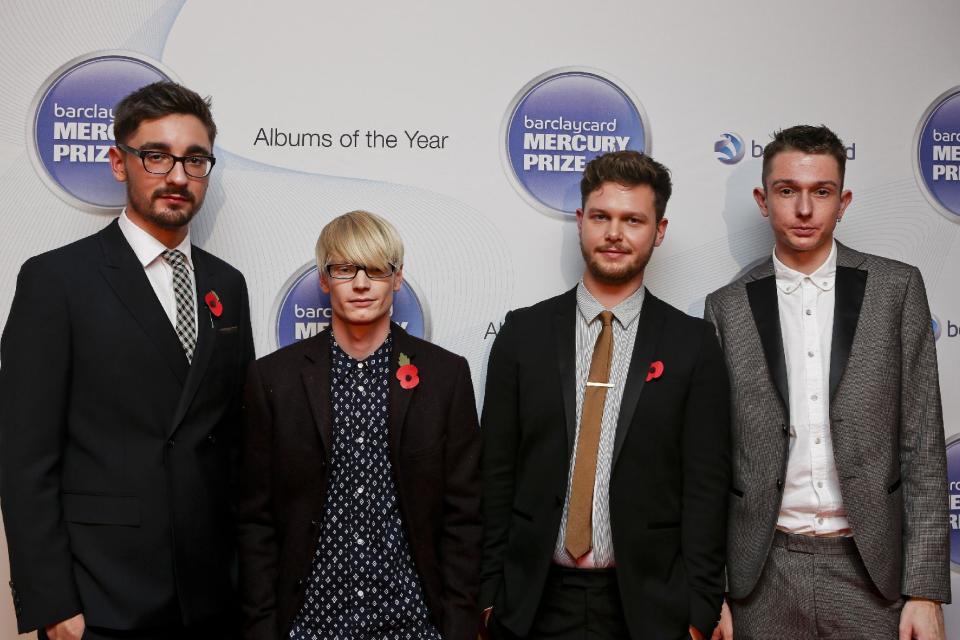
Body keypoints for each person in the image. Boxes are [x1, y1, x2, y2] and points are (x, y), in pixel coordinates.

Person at [0, 81, 254, 639]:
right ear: (120, 163)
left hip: (211, 592)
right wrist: (53, 604)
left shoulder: (226, 285)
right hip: (102, 594)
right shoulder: (55, 281)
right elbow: (24, 459)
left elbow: (233, 438)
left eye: (195, 159)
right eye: (156, 156)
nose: (178, 176)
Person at [705, 124, 949, 640]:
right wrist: (712, 589)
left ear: (844, 201)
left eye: (822, 192)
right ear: (762, 199)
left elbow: (923, 445)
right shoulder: (726, 307)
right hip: (760, 573)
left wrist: (924, 590)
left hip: (870, 573)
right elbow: (711, 461)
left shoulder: (897, 288)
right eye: (787, 190)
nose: (804, 209)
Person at [480, 150, 731, 640]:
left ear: (658, 231)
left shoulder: (692, 345)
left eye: (633, 220)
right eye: (602, 217)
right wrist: (488, 598)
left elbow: (706, 487)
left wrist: (699, 610)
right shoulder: (522, 334)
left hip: (648, 608)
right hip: (533, 603)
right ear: (581, 222)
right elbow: (494, 474)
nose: (615, 233)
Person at [238, 210, 481, 640]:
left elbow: (463, 516)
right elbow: (256, 519)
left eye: (376, 269)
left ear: (398, 278)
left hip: (414, 623)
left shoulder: (445, 377)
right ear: (324, 279)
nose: (362, 283)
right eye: (345, 268)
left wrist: (459, 625)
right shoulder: (273, 379)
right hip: (309, 625)